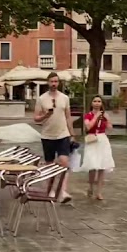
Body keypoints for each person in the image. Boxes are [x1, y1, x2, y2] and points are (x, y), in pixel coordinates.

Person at [33, 72, 73, 203]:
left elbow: (68, 116)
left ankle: (63, 191)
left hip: (63, 134)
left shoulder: (65, 98)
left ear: (59, 83)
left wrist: (72, 133)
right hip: (47, 135)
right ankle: (50, 190)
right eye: (52, 81)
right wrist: (45, 116)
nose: (54, 84)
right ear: (48, 83)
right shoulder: (41, 99)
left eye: (56, 81)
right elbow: (36, 119)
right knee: (49, 165)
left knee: (64, 162)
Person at [76, 96, 115, 201]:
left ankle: (99, 192)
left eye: (99, 101)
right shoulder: (88, 115)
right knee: (93, 166)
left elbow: (110, 128)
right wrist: (96, 117)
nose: (97, 103)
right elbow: (88, 127)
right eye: (95, 101)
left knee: (102, 166)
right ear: (92, 103)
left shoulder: (104, 115)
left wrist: (107, 120)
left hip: (102, 139)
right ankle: (90, 187)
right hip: (92, 139)